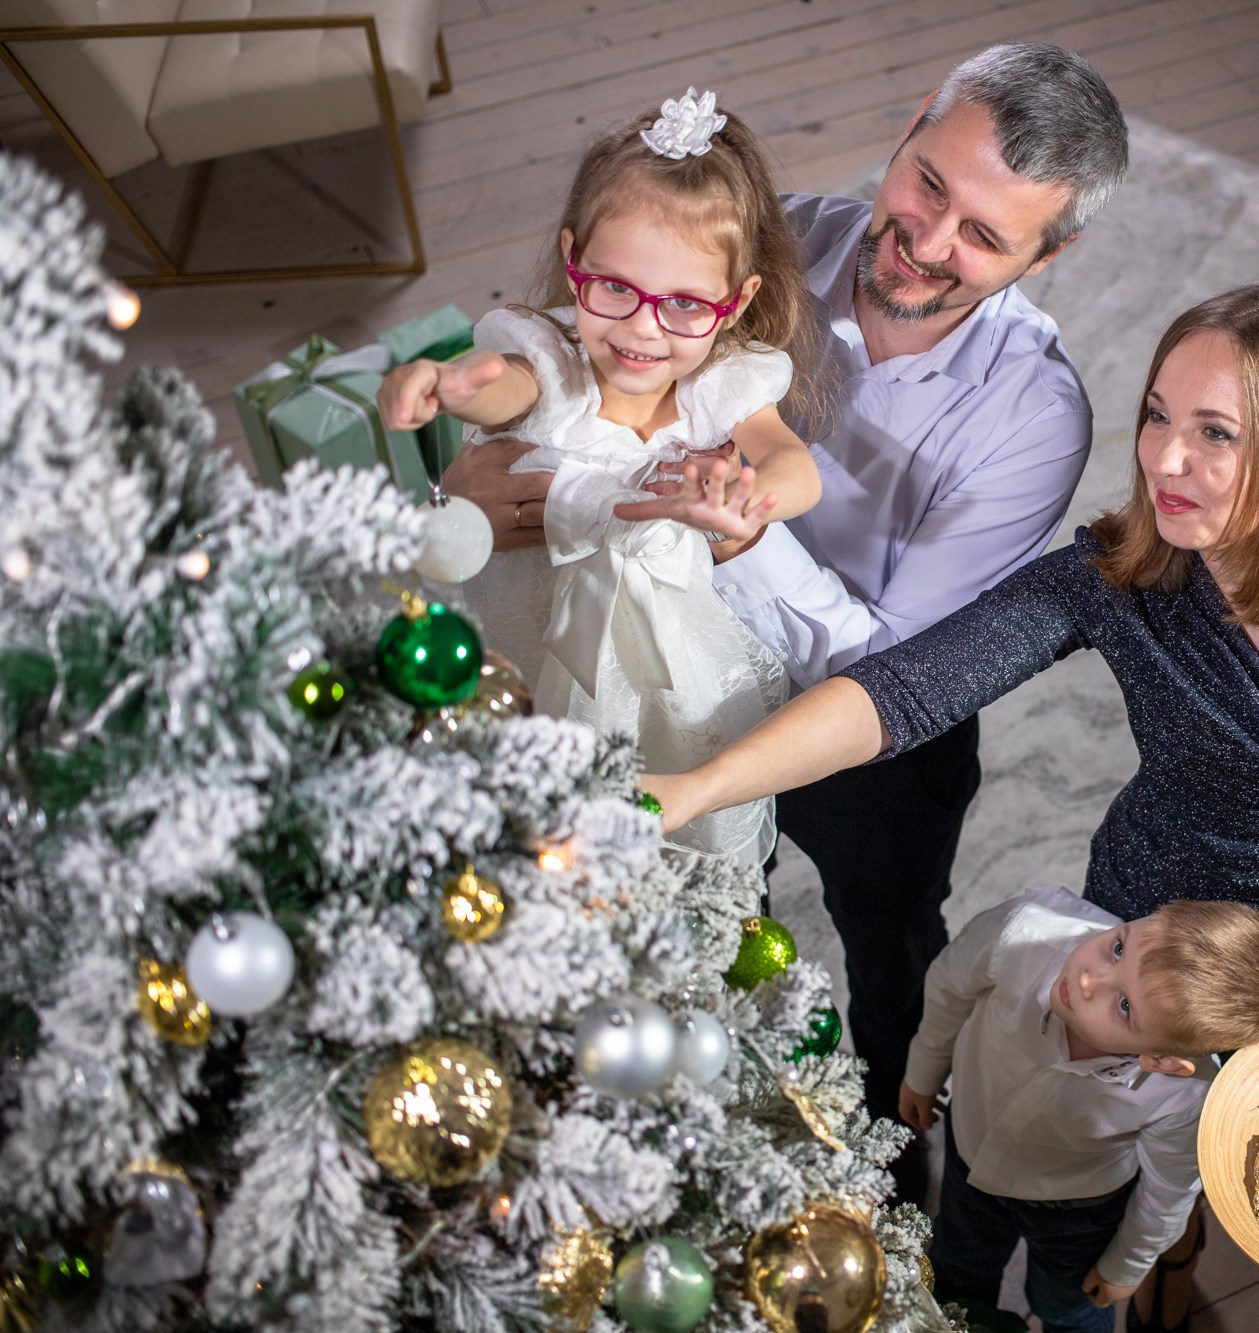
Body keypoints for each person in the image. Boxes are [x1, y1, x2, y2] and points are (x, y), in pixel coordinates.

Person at [639, 284, 1259, 1333]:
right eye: (1154, 414)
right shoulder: (1112, 578)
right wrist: (700, 784)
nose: (1162, 459)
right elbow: (908, 690)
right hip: (1143, 937)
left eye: (1213, 434)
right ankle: (1170, 1293)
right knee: (1149, 1164)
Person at [439, 44, 1130, 1195]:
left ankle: (891, 1143)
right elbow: (581, 350)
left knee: (889, 934)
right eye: (926, 186)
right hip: (659, 665)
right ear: (911, 124)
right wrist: (466, 489)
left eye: (983, 237)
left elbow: (893, 664)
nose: (923, 241)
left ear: (1049, 255)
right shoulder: (758, 241)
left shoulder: (1035, 422)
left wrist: (744, 533)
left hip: (860, 739)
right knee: (704, 906)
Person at [380, 90, 824, 861]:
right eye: (614, 287)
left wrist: (750, 498)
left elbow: (795, 465)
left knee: (684, 819)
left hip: (676, 659)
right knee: (523, 807)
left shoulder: (723, 383)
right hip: (535, 634)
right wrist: (451, 382)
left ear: (737, 299)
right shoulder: (553, 356)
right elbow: (504, 382)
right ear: (572, 260)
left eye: (685, 303)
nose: (643, 328)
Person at [900, 887, 1259, 1333]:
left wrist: (1126, 1266)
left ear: (1162, 1061)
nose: (1089, 979)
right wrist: (923, 1071)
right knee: (957, 1274)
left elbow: (1168, 1189)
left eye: (1125, 1006)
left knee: (1068, 1308)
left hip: (1075, 1209)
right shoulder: (1024, 928)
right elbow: (947, 987)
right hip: (968, 1150)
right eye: (1117, 947)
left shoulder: (1185, 1095)